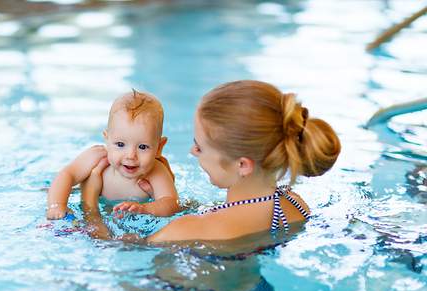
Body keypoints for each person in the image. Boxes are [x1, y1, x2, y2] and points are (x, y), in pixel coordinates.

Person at [81, 80, 341, 242]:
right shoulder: (295, 205)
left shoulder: (186, 231)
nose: (193, 152)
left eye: (200, 147)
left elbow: (109, 244)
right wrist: (178, 204)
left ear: (242, 165)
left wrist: (90, 201)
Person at [46, 90, 180, 220]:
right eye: (120, 144)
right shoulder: (97, 157)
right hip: (95, 210)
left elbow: (171, 203)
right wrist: (57, 205)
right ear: (107, 139)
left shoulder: (156, 172)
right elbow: (67, 174)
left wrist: (145, 209)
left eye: (142, 147)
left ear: (159, 147)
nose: (131, 156)